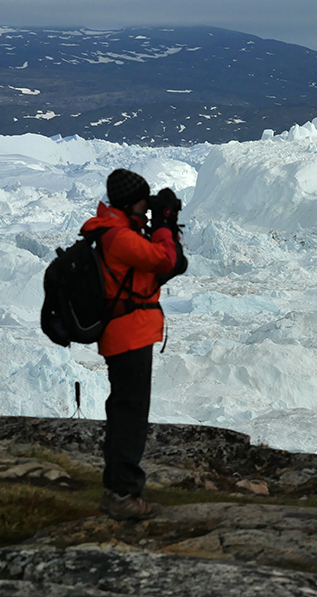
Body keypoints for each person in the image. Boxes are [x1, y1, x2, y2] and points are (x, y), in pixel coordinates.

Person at [82, 168, 187, 521]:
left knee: (125, 411)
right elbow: (165, 259)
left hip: (130, 334)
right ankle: (124, 495)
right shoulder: (119, 238)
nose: (147, 210)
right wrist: (164, 223)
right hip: (128, 336)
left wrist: (163, 225)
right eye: (144, 204)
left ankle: (118, 488)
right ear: (130, 203)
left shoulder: (120, 232)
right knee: (129, 416)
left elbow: (166, 266)